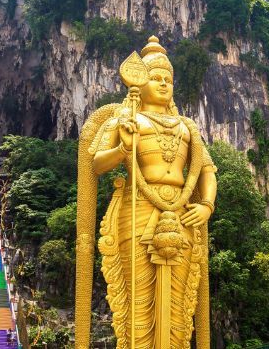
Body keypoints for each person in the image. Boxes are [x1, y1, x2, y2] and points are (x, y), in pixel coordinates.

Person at [75, 37, 218, 348]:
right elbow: (96, 163)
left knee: (180, 304)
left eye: (168, 79)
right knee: (137, 300)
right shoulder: (127, 118)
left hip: (181, 214)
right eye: (156, 77)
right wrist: (123, 146)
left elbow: (206, 170)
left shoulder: (187, 127)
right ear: (140, 80)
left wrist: (206, 205)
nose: (164, 83)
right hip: (137, 208)